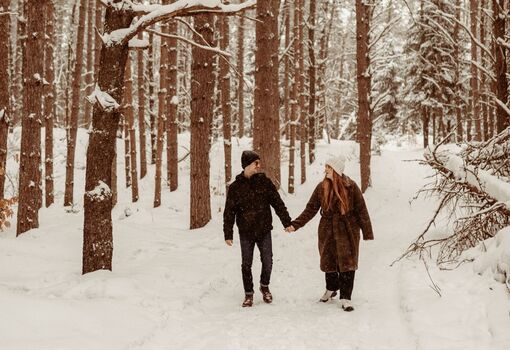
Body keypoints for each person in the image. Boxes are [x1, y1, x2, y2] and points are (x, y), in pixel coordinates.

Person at [286, 155, 373, 312]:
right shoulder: (322, 187)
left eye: (328, 167)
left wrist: (367, 232)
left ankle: (346, 297)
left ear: (336, 170)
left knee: (347, 262)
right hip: (327, 228)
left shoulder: (351, 186)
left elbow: (361, 210)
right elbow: (311, 208)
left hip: (347, 229)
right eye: (326, 166)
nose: (325, 169)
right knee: (328, 260)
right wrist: (295, 225)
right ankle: (331, 288)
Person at [223, 150, 292, 307]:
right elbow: (229, 212)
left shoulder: (265, 182)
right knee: (246, 264)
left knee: (268, 261)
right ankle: (249, 294)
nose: (259, 166)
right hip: (245, 232)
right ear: (247, 165)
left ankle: (264, 286)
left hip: (264, 230)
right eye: (256, 163)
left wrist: (286, 222)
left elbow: (277, 203)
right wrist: (228, 233)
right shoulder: (235, 187)